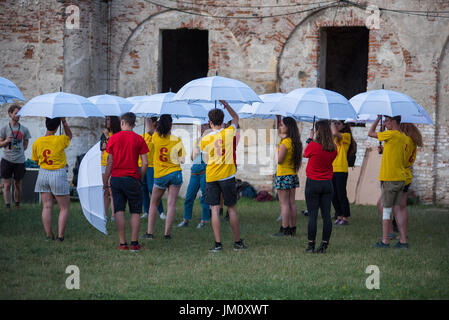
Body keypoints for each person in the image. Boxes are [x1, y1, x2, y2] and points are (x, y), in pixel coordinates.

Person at [200, 101, 247, 252]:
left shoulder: (206, 138)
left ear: (210, 122)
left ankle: (218, 244)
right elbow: (236, 117)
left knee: (214, 209)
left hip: (212, 175)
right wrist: (226, 105)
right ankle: (237, 242)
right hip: (227, 175)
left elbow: (204, 152)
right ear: (222, 120)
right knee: (232, 208)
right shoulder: (229, 132)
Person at [104, 112, 148, 252]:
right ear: (134, 124)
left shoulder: (113, 138)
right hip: (132, 178)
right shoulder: (139, 139)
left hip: (116, 179)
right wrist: (140, 177)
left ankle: (122, 243)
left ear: (122, 123)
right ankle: (134, 243)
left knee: (119, 210)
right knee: (135, 211)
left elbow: (110, 161)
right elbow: (145, 163)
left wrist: (106, 179)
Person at [376, 122, 422, 244]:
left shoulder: (403, 139)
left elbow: (397, 156)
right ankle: (403, 235)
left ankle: (389, 233)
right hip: (406, 177)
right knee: (401, 207)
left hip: (397, 176)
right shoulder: (412, 141)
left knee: (383, 204)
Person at [141, 114, 185, 239]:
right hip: (175, 173)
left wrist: (147, 116)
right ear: (171, 125)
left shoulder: (155, 137)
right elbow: (182, 159)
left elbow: (149, 129)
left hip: (161, 175)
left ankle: (150, 233)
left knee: (154, 203)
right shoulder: (177, 140)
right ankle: (167, 234)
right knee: (171, 204)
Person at [368, 115, 407, 249]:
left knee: (386, 210)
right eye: (384, 120)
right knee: (397, 210)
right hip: (400, 178)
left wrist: (377, 118)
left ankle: (385, 241)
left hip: (390, 178)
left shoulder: (390, 134)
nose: (385, 123)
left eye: (386, 121)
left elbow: (370, 133)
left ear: (393, 121)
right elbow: (396, 154)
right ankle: (403, 241)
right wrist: (384, 150)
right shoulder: (402, 136)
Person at [32, 117, 72, 241]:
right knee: (64, 208)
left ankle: (49, 235)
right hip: (57, 174)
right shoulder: (60, 139)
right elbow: (69, 135)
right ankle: (60, 236)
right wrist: (64, 122)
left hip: (43, 174)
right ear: (57, 127)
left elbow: (36, 160)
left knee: (47, 206)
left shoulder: (38, 142)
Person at [304, 120, 337, 253]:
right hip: (327, 183)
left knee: (312, 215)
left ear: (317, 131)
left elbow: (304, 154)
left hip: (313, 182)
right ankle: (324, 245)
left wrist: (310, 138)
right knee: (326, 216)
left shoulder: (313, 145)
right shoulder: (333, 148)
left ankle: (311, 245)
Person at [272, 116, 302, 237]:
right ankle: (292, 228)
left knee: (284, 204)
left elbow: (279, 160)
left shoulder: (285, 143)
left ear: (288, 128)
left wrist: (275, 150)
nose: (280, 126)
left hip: (283, 175)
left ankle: (284, 229)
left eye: (282, 125)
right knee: (291, 203)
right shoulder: (294, 141)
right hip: (292, 174)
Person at [178, 123, 211, 229]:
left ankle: (204, 220)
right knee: (189, 197)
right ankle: (186, 219)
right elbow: (192, 157)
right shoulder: (197, 140)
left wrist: (203, 151)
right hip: (194, 172)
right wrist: (194, 152)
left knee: (204, 197)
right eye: (202, 126)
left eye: (205, 126)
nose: (203, 128)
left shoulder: (212, 140)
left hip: (204, 171)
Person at [0, 104, 31, 211]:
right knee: (7, 185)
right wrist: (6, 142)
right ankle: (8, 206)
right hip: (6, 160)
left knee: (17, 184)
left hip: (20, 160)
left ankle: (17, 205)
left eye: (20, 113)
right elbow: (0, 144)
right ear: (10, 114)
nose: (18, 115)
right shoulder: (4, 129)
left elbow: (26, 143)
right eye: (16, 113)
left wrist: (20, 150)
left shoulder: (24, 129)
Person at [139, 117, 166, 221]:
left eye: (149, 122)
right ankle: (146, 211)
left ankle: (161, 212)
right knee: (143, 189)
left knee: (152, 189)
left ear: (154, 123)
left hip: (151, 166)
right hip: (141, 165)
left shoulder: (156, 134)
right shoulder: (142, 136)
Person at [330, 120, 355, 226]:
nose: (335, 125)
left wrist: (331, 123)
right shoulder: (334, 136)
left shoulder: (346, 135)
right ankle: (339, 215)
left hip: (341, 169)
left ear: (344, 126)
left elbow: (335, 133)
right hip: (332, 168)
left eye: (338, 123)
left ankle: (345, 217)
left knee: (341, 194)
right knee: (333, 194)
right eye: (334, 123)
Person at [100, 116, 121, 221]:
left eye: (109, 119)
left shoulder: (117, 135)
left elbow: (115, 148)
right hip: (103, 163)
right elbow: (102, 148)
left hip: (113, 164)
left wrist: (108, 137)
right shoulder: (104, 134)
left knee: (112, 190)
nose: (107, 121)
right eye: (106, 119)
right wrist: (104, 141)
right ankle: (104, 214)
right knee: (104, 190)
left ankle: (113, 215)